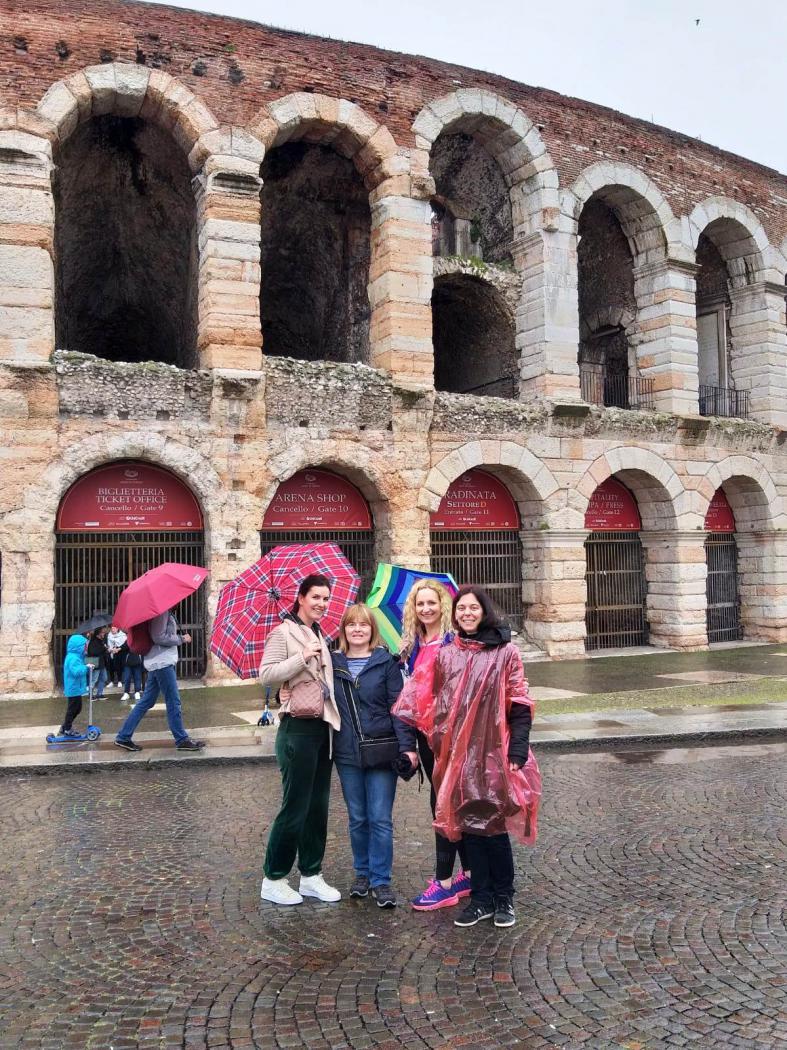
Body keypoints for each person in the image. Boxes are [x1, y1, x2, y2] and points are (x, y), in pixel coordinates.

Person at [394, 585, 541, 929]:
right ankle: (480, 899)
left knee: (494, 825)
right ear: (455, 614)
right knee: (470, 826)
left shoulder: (506, 652)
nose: (467, 614)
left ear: (484, 611)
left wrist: (518, 748)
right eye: (462, 609)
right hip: (458, 753)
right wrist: (437, 745)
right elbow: (434, 703)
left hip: (494, 750)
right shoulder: (448, 654)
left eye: (473, 608)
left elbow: (519, 700)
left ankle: (504, 898)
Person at [259, 574, 342, 907]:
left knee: (318, 806)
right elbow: (267, 674)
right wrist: (302, 657)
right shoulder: (283, 632)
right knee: (295, 806)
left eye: (326, 598)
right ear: (301, 598)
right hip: (297, 729)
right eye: (316, 597)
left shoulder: (320, 633)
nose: (321, 603)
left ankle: (311, 874)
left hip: (323, 727)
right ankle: (274, 877)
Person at [331, 603, 415, 908]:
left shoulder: (386, 663)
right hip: (347, 751)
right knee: (358, 818)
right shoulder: (331, 663)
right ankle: (362, 874)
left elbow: (399, 708)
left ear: (372, 629)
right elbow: (312, 692)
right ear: (344, 630)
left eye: (363, 624)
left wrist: (407, 747)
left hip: (381, 749)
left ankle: (381, 880)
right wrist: (283, 693)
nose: (357, 629)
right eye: (351, 624)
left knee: (379, 818)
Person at [399, 579, 471, 911]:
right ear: (413, 610)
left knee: (446, 802)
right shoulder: (412, 646)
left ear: (443, 605)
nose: (426, 608)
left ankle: (443, 883)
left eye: (432, 602)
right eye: (420, 604)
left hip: (451, 733)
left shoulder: (453, 641)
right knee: (445, 800)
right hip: (425, 736)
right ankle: (468, 873)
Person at [113, 609, 204, 752]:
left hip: (156, 662)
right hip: (162, 662)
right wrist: (181, 639)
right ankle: (181, 739)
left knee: (146, 701)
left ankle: (123, 736)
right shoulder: (161, 613)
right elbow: (158, 637)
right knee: (173, 701)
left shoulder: (159, 612)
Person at [58, 633, 89, 738]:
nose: (86, 648)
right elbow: (76, 672)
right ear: (78, 647)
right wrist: (86, 667)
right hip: (73, 688)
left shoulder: (76, 657)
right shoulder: (73, 658)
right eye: (84, 646)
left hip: (76, 688)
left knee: (77, 708)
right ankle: (67, 729)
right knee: (72, 709)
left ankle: (65, 726)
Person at [86, 625, 109, 698]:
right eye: (102, 632)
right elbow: (93, 652)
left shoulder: (101, 641)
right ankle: (90, 695)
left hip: (102, 663)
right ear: (98, 633)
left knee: (104, 678)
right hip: (95, 663)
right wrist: (104, 649)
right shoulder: (93, 641)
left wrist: (107, 649)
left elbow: (102, 650)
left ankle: (100, 694)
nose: (104, 634)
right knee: (94, 679)